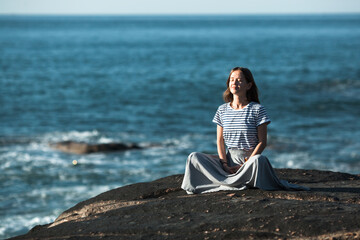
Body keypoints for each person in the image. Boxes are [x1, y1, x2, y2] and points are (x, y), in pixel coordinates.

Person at [181, 67, 309, 194]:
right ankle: (231, 181)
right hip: (228, 162)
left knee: (260, 160)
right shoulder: (222, 110)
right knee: (194, 157)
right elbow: (220, 141)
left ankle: (229, 182)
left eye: (239, 80)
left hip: (250, 162)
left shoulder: (257, 109)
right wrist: (224, 164)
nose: (234, 83)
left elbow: (262, 142)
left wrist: (246, 164)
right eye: (232, 80)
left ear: (248, 85)